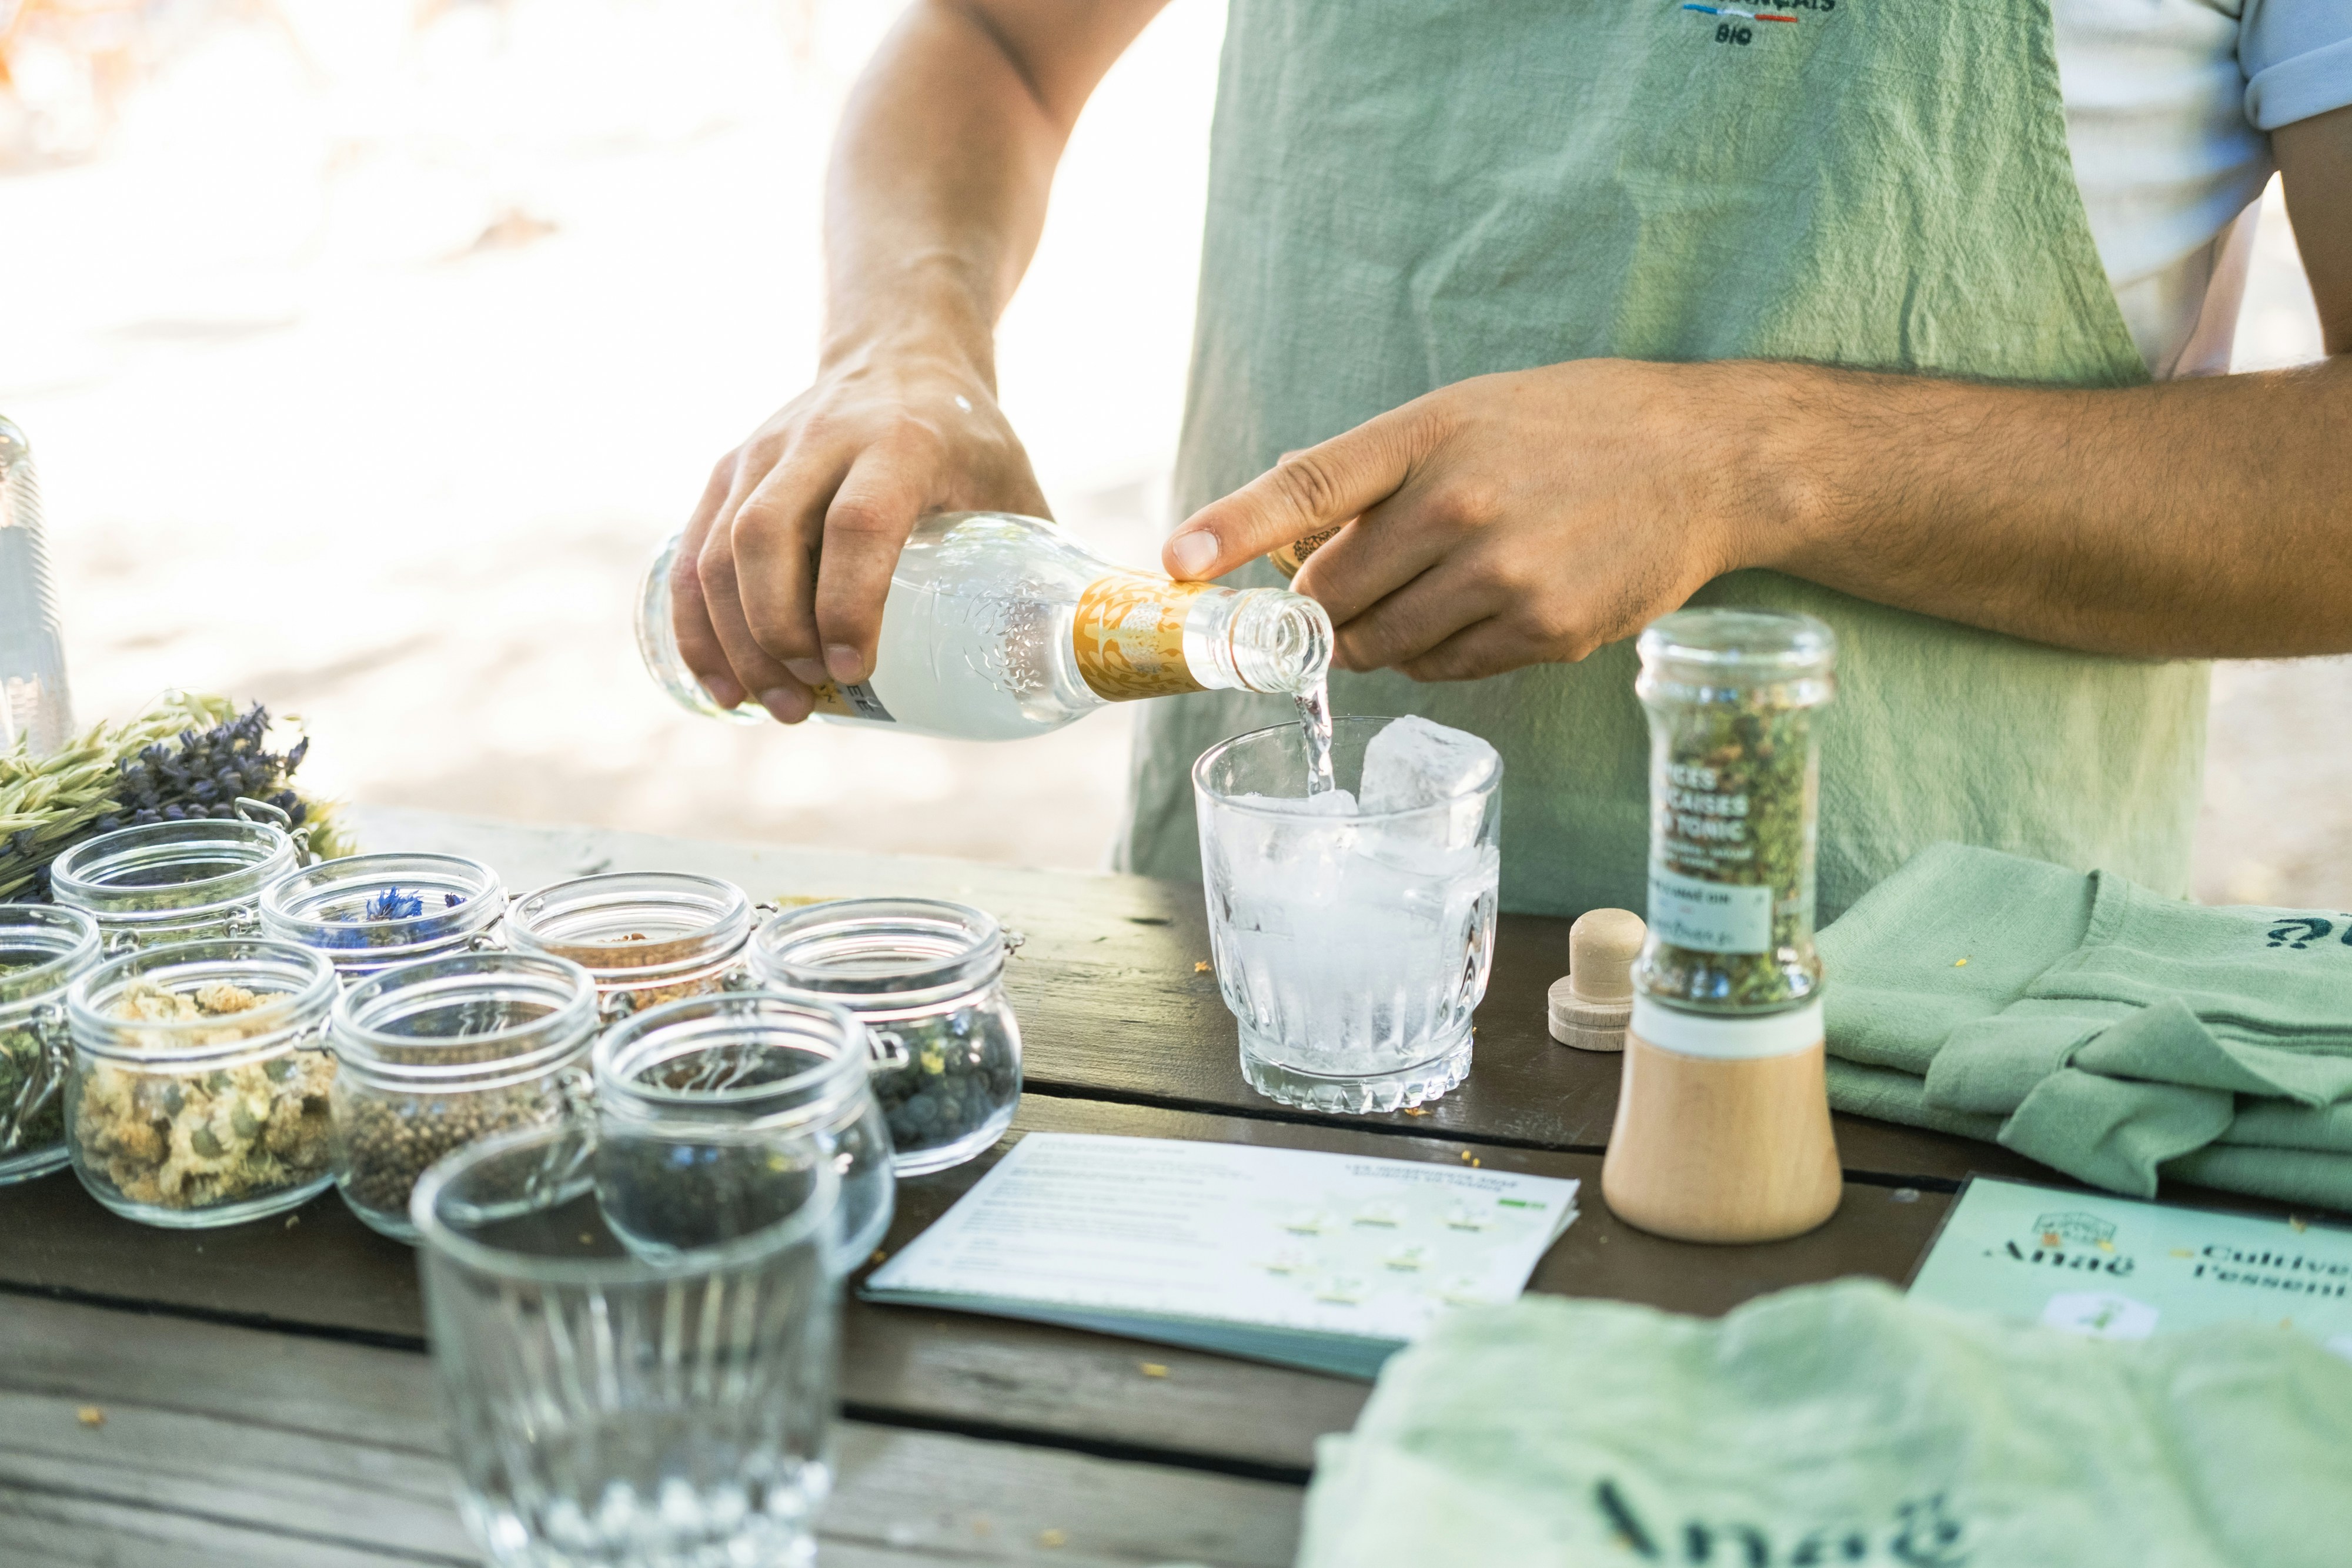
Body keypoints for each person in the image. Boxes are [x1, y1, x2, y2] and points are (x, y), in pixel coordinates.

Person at [667, 0, 2352, 920]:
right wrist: (905, 343)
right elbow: (995, 42)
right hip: (1262, 985)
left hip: (1925, 1055)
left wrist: (1745, 461)